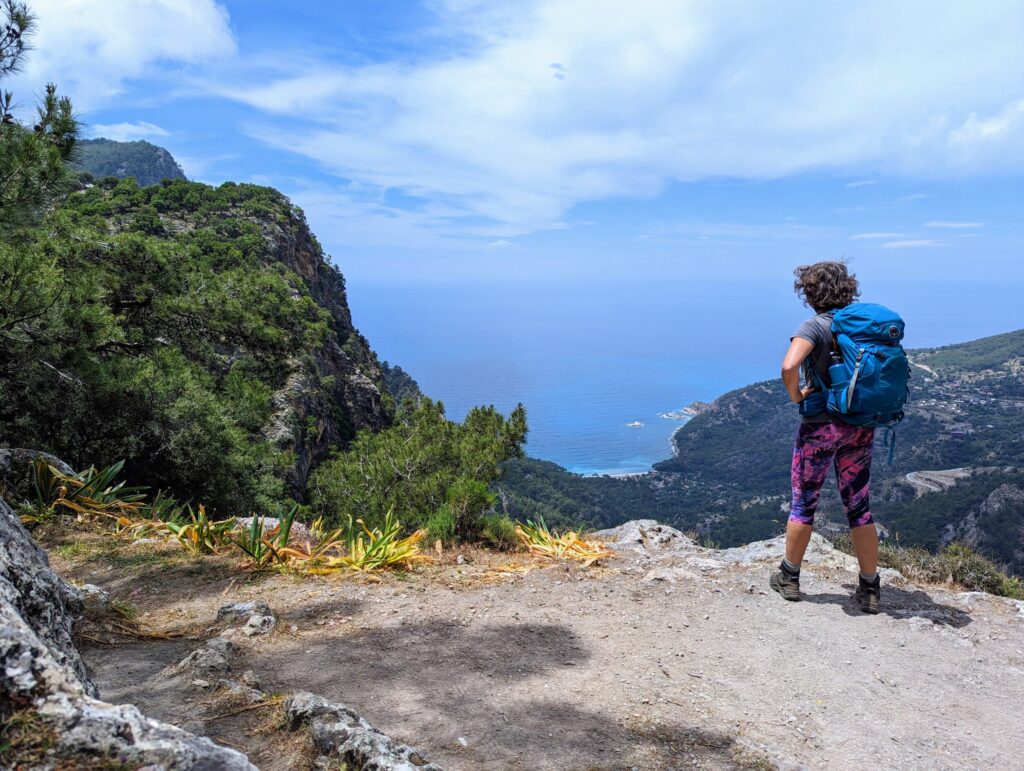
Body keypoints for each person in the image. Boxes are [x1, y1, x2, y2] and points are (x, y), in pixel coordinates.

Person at [770, 261, 881, 614]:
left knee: (804, 503)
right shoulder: (862, 326)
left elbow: (789, 366)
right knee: (859, 507)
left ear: (809, 292)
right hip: (859, 427)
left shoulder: (815, 325)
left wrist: (796, 395)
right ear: (848, 289)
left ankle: (789, 577)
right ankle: (869, 588)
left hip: (819, 427)